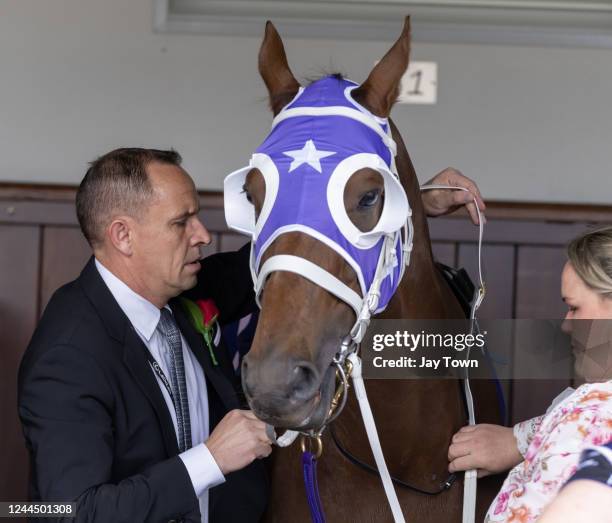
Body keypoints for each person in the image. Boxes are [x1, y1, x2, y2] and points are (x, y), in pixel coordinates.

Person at [18, 147, 484, 523]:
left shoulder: (182, 284)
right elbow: (70, 513)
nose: (203, 234)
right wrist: (210, 460)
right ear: (123, 236)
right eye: (181, 222)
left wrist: (405, 205)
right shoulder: (68, 355)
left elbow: (299, 253)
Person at [447, 226, 612, 522]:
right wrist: (518, 440)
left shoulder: (591, 419)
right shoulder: (587, 406)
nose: (566, 324)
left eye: (574, 308)